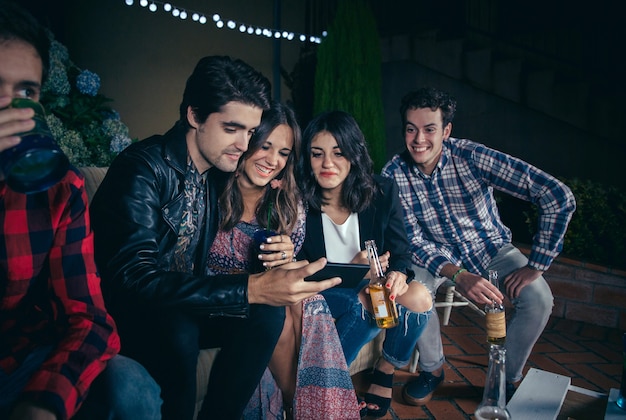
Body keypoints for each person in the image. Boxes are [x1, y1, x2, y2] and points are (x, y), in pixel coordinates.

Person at [89, 56, 340, 420]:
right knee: (179, 327)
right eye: (232, 128)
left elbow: (250, 210)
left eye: (251, 132)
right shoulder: (142, 169)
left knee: (267, 315)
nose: (243, 144)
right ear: (194, 116)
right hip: (131, 313)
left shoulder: (212, 176)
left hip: (178, 306)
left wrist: (279, 255)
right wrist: (250, 288)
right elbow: (132, 280)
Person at [0, 2, 161, 420]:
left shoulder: (59, 188)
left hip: (16, 364)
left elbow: (89, 318)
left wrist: (42, 403)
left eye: (25, 92)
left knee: (130, 384)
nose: (11, 107)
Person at [381, 86, 576, 405]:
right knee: (411, 290)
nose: (419, 140)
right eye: (411, 129)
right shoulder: (393, 174)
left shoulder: (472, 155)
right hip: (434, 256)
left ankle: (504, 380)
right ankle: (432, 369)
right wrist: (457, 275)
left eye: (429, 129)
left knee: (539, 298)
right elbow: (410, 239)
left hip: (489, 249)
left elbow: (557, 196)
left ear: (446, 130)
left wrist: (536, 265)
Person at [207, 101, 361, 419]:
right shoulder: (211, 192)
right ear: (247, 140)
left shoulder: (286, 201)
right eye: (265, 146)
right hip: (218, 296)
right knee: (281, 306)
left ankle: (300, 408)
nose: (273, 161)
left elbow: (289, 263)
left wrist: (288, 253)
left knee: (306, 299)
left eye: (283, 153)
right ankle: (302, 408)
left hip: (268, 299)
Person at [296, 110, 433, 418]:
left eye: (339, 153)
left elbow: (401, 251)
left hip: (372, 283)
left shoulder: (381, 191)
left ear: (354, 155)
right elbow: (299, 270)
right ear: (308, 158)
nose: (327, 164)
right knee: (369, 303)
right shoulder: (298, 198)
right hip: (321, 290)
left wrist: (397, 273)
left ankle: (384, 372)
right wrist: (354, 270)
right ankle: (322, 386)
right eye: (317, 154)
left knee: (420, 298)